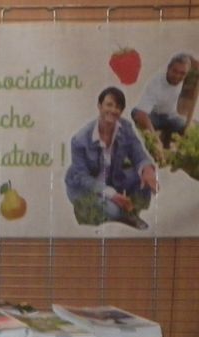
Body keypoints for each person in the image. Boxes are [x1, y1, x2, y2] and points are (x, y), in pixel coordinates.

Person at [67, 86, 159, 230]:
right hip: (86, 188)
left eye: (118, 107)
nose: (113, 110)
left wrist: (147, 169)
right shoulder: (80, 140)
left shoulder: (125, 127)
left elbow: (138, 153)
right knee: (113, 211)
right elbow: (82, 178)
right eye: (109, 105)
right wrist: (112, 194)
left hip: (112, 179)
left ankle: (133, 211)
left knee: (144, 177)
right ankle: (122, 214)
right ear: (99, 106)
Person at [130, 53, 194, 138]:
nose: (177, 76)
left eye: (182, 73)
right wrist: (155, 139)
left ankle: (165, 139)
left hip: (169, 117)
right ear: (168, 68)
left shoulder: (181, 80)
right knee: (136, 113)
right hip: (152, 115)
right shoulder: (156, 83)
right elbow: (141, 114)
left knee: (184, 124)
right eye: (175, 71)